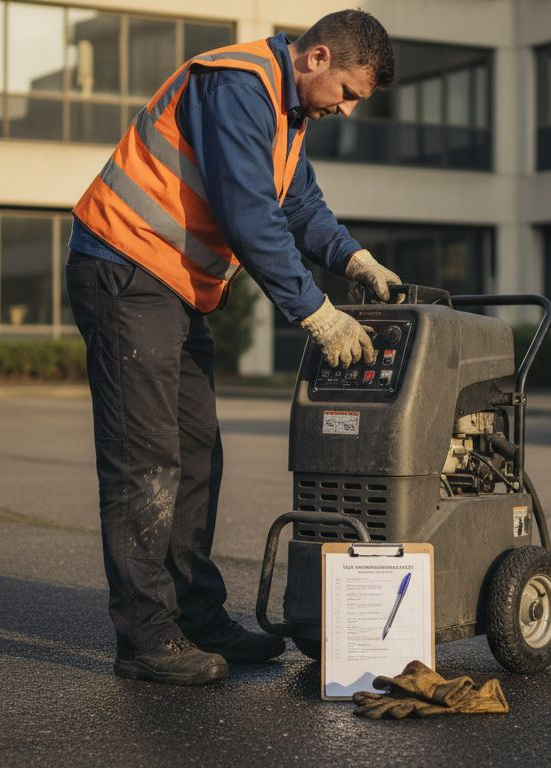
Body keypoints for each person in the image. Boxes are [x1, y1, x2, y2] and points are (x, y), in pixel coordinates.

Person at [64, 10, 401, 685]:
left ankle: (193, 613)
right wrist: (319, 315)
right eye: (350, 93)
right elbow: (251, 215)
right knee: (145, 460)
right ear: (318, 58)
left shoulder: (287, 117)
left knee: (195, 455)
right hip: (126, 270)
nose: (348, 109)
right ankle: (146, 635)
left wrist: (355, 258)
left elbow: (299, 208)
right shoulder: (237, 86)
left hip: (172, 287)